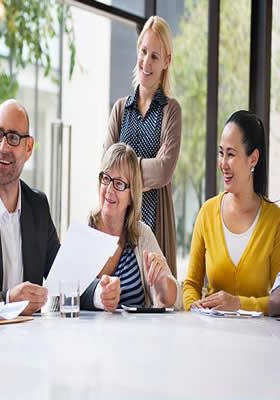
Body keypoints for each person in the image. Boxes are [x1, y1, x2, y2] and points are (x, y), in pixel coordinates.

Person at [0, 99, 120, 315]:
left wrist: (101, 294)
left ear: (28, 148)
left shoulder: (38, 206)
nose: (3, 147)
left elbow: (64, 277)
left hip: (34, 334)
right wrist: (8, 299)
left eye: (13, 138)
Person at [103, 16, 181, 278]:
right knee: (117, 290)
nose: (146, 62)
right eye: (144, 51)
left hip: (154, 222)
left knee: (154, 292)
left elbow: (164, 170)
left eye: (155, 56)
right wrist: (145, 170)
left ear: (166, 61)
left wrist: (123, 176)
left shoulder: (171, 111)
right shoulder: (119, 109)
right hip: (118, 225)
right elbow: (106, 167)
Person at [183, 111, 280, 315]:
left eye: (231, 154)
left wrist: (238, 303)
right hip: (210, 332)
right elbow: (191, 284)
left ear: (253, 159)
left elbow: (278, 301)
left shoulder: (274, 220)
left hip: (259, 334)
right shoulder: (207, 212)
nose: (223, 164)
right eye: (221, 153)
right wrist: (194, 306)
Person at [82, 143, 181, 311]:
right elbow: (59, 297)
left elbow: (177, 302)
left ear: (131, 196)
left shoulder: (142, 235)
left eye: (119, 183)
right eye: (106, 179)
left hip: (136, 329)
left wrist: (162, 282)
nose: (109, 189)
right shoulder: (83, 233)